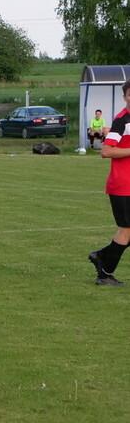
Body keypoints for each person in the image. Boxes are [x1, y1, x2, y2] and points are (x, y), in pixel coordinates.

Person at [89, 79, 130, 286]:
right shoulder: (122, 121)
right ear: (125, 97)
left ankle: (101, 258)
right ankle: (104, 274)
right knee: (126, 231)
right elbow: (106, 151)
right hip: (123, 185)